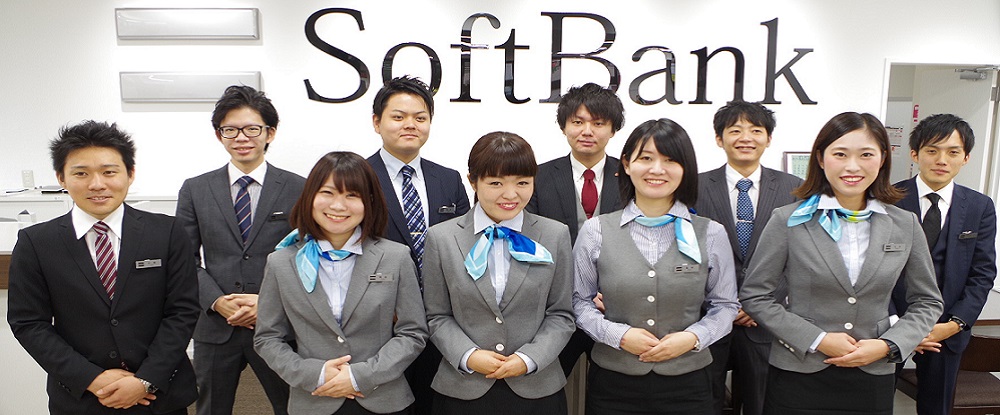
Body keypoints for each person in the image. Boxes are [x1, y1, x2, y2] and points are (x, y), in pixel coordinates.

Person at [739, 112, 944, 415]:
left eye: (866, 155)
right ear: (821, 159)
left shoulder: (904, 224)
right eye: (840, 154)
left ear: (882, 158)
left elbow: (927, 301)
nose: (852, 166)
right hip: (799, 371)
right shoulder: (788, 220)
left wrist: (888, 345)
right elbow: (756, 295)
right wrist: (818, 339)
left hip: (872, 372)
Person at [8, 120, 199, 414]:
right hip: (81, 398)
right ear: (61, 178)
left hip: (159, 395)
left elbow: (182, 311)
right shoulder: (36, 242)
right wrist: (91, 378)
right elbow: (29, 323)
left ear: (130, 174)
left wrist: (146, 380)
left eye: (109, 172)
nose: (97, 184)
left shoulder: (168, 232)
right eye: (81, 173)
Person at [573, 118, 740, 415]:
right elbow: (578, 302)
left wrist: (693, 337)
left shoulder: (711, 233)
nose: (657, 169)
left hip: (689, 385)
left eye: (670, 160)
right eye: (646, 158)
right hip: (614, 384)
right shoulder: (596, 230)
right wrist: (617, 335)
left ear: (685, 168)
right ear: (627, 164)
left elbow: (725, 305)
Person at [254, 152, 427, 415]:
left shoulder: (396, 256)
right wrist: (315, 374)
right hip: (314, 399)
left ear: (369, 202)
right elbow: (267, 338)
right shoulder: (281, 262)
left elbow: (413, 333)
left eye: (352, 195)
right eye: (328, 192)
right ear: (310, 196)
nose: (338, 205)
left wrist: (361, 376)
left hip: (384, 399)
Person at [422, 132, 575, 415]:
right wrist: (469, 355)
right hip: (463, 388)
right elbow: (436, 315)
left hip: (537, 388)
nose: (510, 194)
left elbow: (562, 314)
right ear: (473, 181)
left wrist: (529, 358)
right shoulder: (441, 238)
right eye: (496, 183)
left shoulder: (555, 234)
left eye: (522, 183)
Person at [176, 85, 303, 415]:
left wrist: (267, 302)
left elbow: (306, 258)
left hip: (278, 326)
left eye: (251, 129)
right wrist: (217, 302)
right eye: (230, 130)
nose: (241, 138)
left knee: (292, 407)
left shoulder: (299, 187)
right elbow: (184, 261)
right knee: (210, 409)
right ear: (219, 135)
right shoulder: (195, 189)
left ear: (270, 133)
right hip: (215, 326)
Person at [365, 75, 470, 415]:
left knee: (435, 403)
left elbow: (466, 246)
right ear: (377, 122)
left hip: (442, 320)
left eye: (420, 117)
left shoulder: (449, 178)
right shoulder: (358, 178)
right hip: (381, 322)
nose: (410, 124)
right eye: (398, 116)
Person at [694, 101, 802, 415]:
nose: (746, 138)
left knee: (762, 403)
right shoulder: (694, 186)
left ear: (768, 139)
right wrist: (723, 303)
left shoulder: (794, 188)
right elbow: (686, 249)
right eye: (735, 130)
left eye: (756, 130)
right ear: (719, 139)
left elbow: (799, 253)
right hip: (708, 317)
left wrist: (761, 303)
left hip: (765, 321)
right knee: (705, 401)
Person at [890, 114, 997, 415]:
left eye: (953, 152)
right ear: (915, 154)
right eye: (932, 150)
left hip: (946, 328)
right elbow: (871, 269)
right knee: (876, 403)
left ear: (966, 157)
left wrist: (954, 324)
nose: (942, 160)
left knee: (936, 408)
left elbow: (983, 273)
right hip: (890, 324)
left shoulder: (979, 206)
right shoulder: (888, 199)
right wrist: (896, 323)